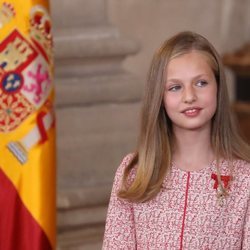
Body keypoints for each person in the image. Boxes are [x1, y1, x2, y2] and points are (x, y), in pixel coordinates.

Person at [102, 31, 250, 249]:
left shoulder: (244, 179)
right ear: (159, 97)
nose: (189, 96)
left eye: (201, 83)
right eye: (175, 87)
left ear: (218, 88)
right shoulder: (134, 172)